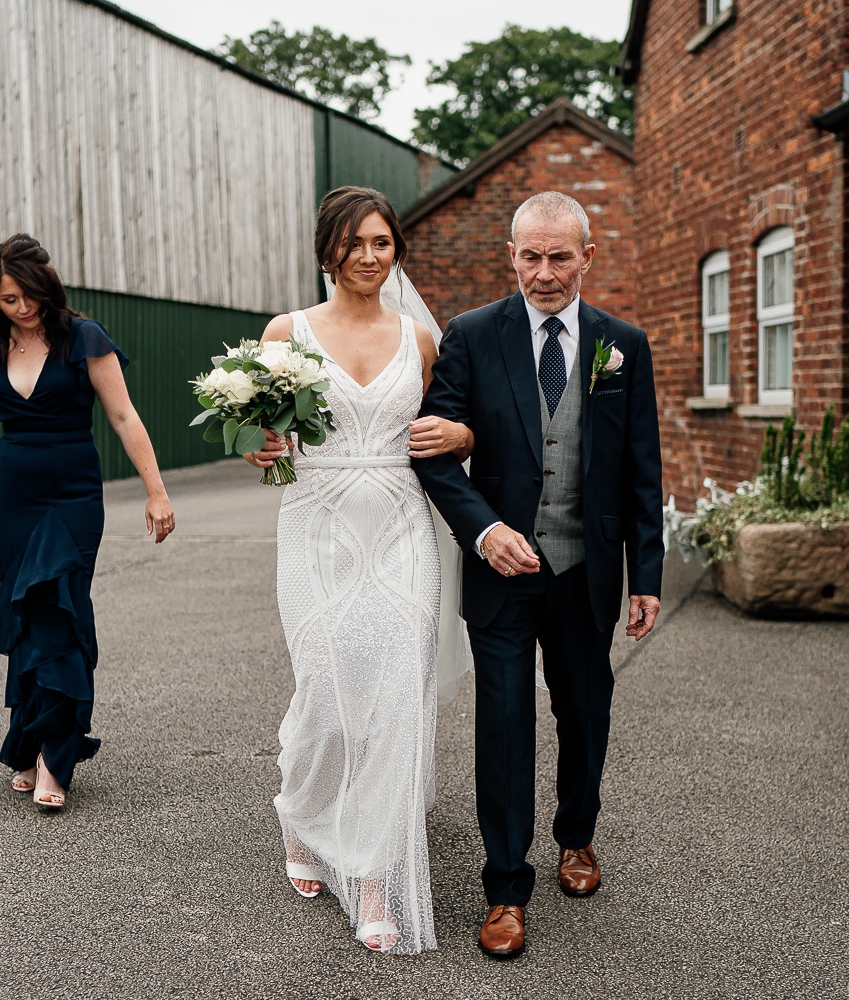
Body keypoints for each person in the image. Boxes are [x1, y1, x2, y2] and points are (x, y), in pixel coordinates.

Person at [413, 191, 664, 960]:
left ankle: (577, 837)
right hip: (501, 573)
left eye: (560, 256)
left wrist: (647, 574)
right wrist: (483, 531)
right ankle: (504, 889)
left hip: (586, 569)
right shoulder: (471, 336)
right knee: (505, 725)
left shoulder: (623, 343)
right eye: (531, 256)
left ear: (588, 256)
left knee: (585, 715)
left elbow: (641, 467)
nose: (544, 272)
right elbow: (430, 451)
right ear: (511, 254)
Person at [244, 186, 474, 954]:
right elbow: (257, 432)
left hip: (405, 532)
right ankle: (303, 816)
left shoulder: (421, 338)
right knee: (327, 695)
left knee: (395, 700)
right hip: (317, 529)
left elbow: (456, 430)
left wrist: (463, 435)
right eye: (356, 244)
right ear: (327, 250)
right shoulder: (287, 331)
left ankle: (376, 877)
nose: (370, 257)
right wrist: (256, 446)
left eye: (382, 243)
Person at [0, 234, 174, 813]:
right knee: (26, 612)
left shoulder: (82, 338)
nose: (21, 308)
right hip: (12, 499)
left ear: (46, 286)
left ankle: (54, 755)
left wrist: (156, 490)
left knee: (64, 611)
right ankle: (28, 737)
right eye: (8, 300)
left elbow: (123, 416)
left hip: (72, 495)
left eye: (28, 296)